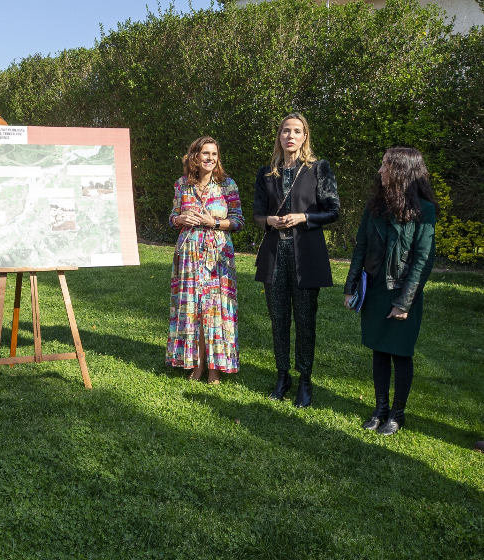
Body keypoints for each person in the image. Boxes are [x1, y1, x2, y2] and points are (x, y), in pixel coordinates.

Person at [344, 147, 436, 435]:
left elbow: (422, 260)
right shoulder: (374, 206)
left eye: (385, 166)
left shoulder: (425, 210)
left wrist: (405, 302)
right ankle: (380, 408)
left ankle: (397, 413)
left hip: (402, 292)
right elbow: (360, 247)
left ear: (402, 172)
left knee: (400, 353)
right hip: (375, 289)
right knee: (379, 351)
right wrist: (350, 288)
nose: (380, 171)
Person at [253, 112, 340, 407]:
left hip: (306, 256)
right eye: (285, 131)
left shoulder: (318, 169)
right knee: (278, 319)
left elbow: (333, 210)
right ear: (279, 136)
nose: (290, 136)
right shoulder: (267, 172)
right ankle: (282, 375)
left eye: (297, 131)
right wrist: (271, 221)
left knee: (304, 321)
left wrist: (304, 216)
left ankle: (305, 379)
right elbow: (257, 214)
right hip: (275, 254)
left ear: (305, 137)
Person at [166, 136, 244, 384]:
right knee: (194, 310)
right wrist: (179, 219)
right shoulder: (182, 185)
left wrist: (216, 223)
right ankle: (197, 364)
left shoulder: (227, 185)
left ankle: (215, 368)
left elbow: (239, 221)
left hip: (218, 256)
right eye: (205, 153)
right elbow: (172, 217)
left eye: (214, 154)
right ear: (195, 157)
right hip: (188, 255)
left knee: (216, 310)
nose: (210, 158)